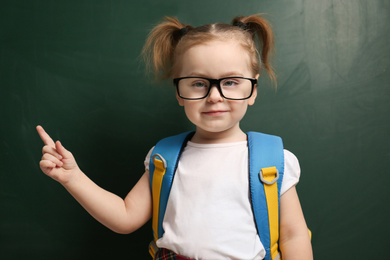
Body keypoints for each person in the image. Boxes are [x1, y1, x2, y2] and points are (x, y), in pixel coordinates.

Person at [37, 14, 313, 260]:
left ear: (252, 89)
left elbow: (293, 236)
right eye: (198, 83)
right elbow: (125, 217)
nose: (214, 96)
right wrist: (73, 178)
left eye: (230, 82)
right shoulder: (164, 157)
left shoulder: (272, 159)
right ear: (179, 92)